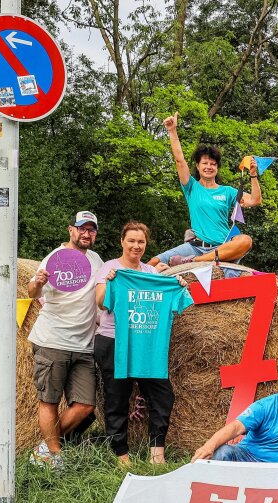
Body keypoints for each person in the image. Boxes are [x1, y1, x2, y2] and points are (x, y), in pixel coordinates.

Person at [94, 222, 182, 465]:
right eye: (131, 240)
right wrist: (111, 283)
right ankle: (122, 455)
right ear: (122, 241)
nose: (136, 245)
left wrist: (178, 287)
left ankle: (157, 453)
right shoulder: (110, 268)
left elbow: (170, 300)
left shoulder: (151, 273)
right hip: (114, 342)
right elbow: (101, 303)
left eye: (140, 241)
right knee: (117, 398)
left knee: (163, 395)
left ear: (146, 244)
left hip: (145, 345)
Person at [26, 211, 105, 469]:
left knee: (85, 405)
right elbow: (32, 291)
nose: (86, 233)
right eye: (82, 228)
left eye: (91, 229)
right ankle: (56, 455)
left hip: (84, 345)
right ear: (71, 230)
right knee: (49, 400)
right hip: (52, 341)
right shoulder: (54, 258)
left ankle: (46, 447)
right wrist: (37, 283)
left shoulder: (95, 260)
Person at [149, 112, 261, 267]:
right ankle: (196, 259)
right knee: (153, 262)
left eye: (213, 164)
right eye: (205, 163)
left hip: (222, 248)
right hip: (195, 247)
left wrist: (254, 175)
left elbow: (255, 200)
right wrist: (172, 131)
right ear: (197, 166)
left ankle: (194, 262)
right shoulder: (191, 187)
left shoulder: (227, 191)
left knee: (245, 240)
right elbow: (179, 160)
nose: (209, 167)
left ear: (217, 167)